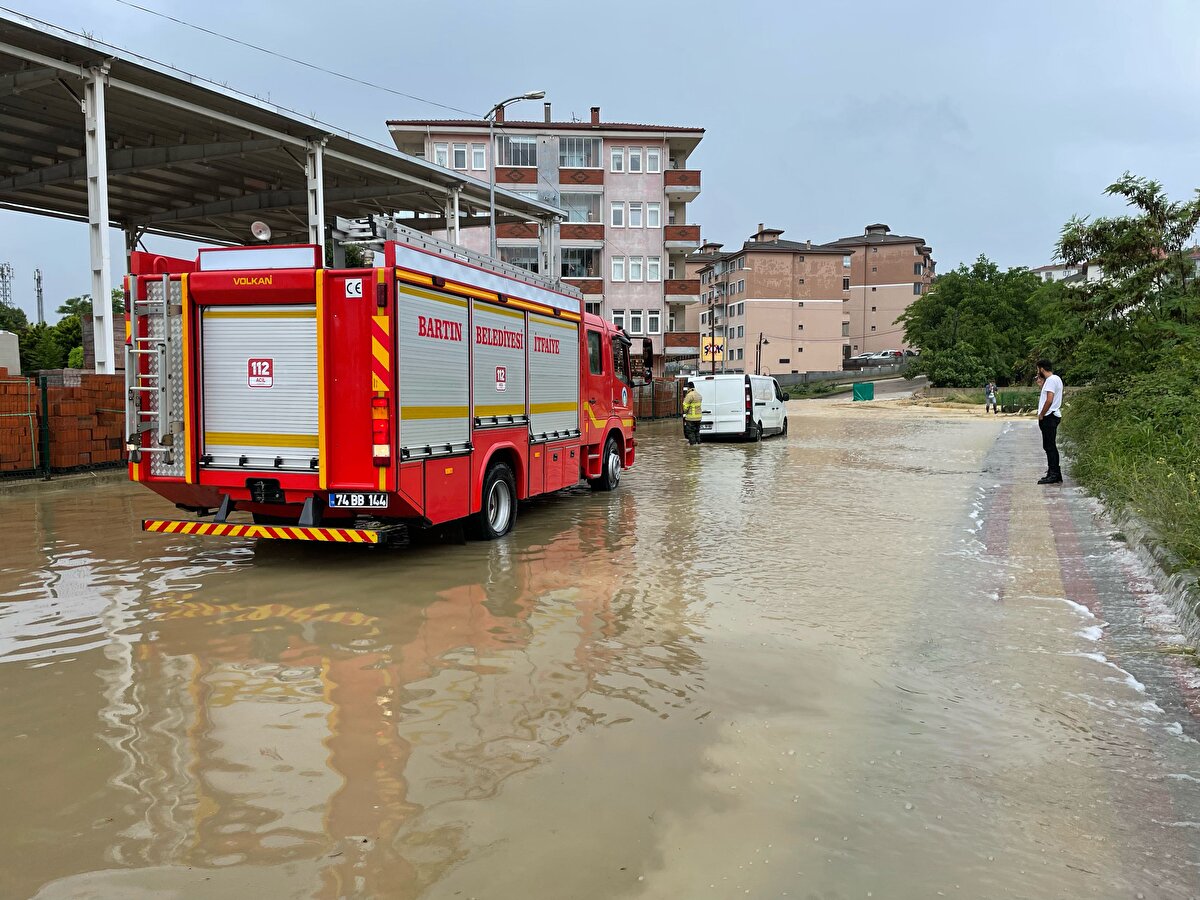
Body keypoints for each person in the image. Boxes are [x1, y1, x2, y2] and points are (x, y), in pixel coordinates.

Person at [1035, 359, 1063, 484]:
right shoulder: (1056, 379)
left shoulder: (1051, 380)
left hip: (1049, 416)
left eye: (1037, 369)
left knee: (1049, 446)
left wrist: (1042, 414)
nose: (1037, 372)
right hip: (1053, 415)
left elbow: (1049, 400)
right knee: (1050, 446)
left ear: (1041, 369)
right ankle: (1054, 472)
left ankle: (1054, 474)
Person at [682, 381, 703, 445]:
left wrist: (685, 411)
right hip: (698, 418)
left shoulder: (689, 395)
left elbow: (685, 406)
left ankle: (693, 446)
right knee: (697, 432)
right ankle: (698, 443)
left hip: (691, 418)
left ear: (689, 387)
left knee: (690, 432)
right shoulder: (698, 395)